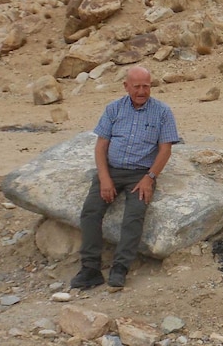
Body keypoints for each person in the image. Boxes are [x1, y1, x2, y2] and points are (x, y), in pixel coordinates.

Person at [70, 65, 181, 289]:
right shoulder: (113, 109)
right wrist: (104, 178)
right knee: (90, 212)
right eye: (137, 86)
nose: (142, 91)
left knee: (133, 217)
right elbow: (101, 146)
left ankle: (120, 268)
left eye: (146, 86)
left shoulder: (162, 112)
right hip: (111, 169)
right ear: (126, 86)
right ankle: (90, 268)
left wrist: (149, 178)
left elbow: (165, 149)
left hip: (141, 174)